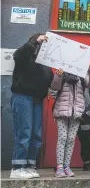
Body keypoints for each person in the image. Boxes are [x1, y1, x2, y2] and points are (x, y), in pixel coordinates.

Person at [10, 33, 54, 179]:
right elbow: (19, 54)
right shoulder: (25, 55)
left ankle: (29, 165)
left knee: (36, 134)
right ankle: (17, 168)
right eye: (41, 43)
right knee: (24, 132)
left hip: (37, 99)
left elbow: (51, 82)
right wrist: (35, 41)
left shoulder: (46, 64)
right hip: (23, 97)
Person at [51, 66, 90, 177]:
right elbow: (53, 88)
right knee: (62, 138)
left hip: (77, 112)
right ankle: (60, 167)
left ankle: (67, 166)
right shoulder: (62, 71)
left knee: (71, 139)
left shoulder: (82, 73)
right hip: (62, 110)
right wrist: (58, 75)